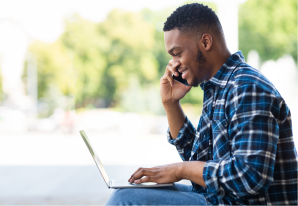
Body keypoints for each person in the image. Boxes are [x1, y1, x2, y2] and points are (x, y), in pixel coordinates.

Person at [106, 3, 298, 206]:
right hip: (222, 199)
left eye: (177, 53)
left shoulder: (246, 87)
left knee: (125, 200)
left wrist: (178, 170)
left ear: (205, 42)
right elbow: (198, 158)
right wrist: (171, 104)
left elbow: (250, 177)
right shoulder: (217, 87)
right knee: (132, 191)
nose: (173, 64)